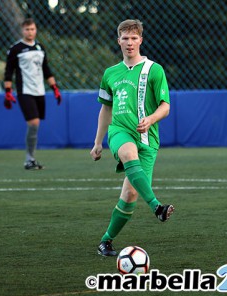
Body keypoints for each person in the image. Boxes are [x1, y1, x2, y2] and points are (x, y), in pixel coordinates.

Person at [90, 19, 174, 257]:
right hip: (120, 132)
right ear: (119, 41)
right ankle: (157, 207)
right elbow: (106, 109)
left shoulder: (154, 70)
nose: (129, 43)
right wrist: (98, 142)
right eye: (125, 38)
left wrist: (151, 119)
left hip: (148, 140)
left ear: (141, 40)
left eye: (133, 38)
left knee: (130, 195)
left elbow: (165, 106)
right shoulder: (110, 74)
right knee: (127, 153)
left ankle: (105, 241)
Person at [4, 18, 62, 170]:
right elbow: (8, 72)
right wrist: (8, 91)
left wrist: (54, 87)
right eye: (27, 29)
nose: (30, 32)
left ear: (36, 30)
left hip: (39, 91)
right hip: (25, 90)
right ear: (22, 31)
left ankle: (31, 159)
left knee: (36, 124)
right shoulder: (16, 49)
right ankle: (29, 159)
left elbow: (46, 69)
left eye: (32, 29)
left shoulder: (40, 47)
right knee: (33, 123)